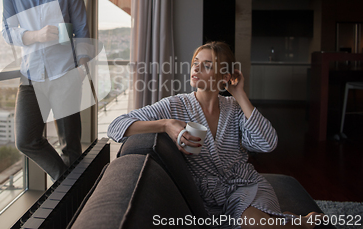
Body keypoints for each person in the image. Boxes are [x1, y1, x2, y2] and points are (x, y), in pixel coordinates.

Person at [107, 42, 324, 228]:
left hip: (246, 187)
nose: (196, 68)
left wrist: (240, 95)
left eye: (207, 65)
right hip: (209, 201)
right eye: (195, 63)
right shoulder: (175, 105)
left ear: (224, 77)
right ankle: (295, 222)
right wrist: (167, 125)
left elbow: (268, 143)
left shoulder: (234, 108)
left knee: (253, 222)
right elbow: (116, 126)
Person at [2, 0, 90, 182]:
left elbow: (82, 31)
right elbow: (8, 32)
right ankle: (68, 183)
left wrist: (82, 67)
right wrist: (37, 35)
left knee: (71, 147)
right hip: (31, 77)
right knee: (26, 140)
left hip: (65, 74)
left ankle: (72, 200)